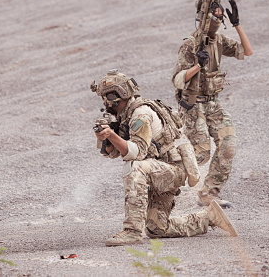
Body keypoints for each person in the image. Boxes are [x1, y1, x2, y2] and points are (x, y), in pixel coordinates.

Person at [91, 69, 237, 246]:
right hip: (159, 171)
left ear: (114, 96)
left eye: (105, 97)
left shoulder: (140, 114)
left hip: (171, 170)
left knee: (135, 168)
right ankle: (209, 218)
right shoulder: (122, 116)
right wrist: (106, 137)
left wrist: (112, 136)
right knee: (157, 229)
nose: (104, 102)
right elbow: (113, 153)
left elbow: (137, 152)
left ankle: (132, 231)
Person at [172, 0, 253, 208]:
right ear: (202, 17)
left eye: (221, 15)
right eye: (213, 14)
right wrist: (197, 65)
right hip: (192, 104)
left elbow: (247, 51)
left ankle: (209, 192)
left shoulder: (219, 41)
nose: (218, 19)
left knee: (228, 144)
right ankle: (163, 178)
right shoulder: (190, 44)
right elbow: (177, 79)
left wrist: (237, 25)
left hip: (212, 103)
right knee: (200, 154)